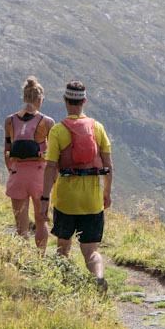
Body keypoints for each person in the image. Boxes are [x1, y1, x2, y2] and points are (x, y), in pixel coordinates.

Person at [42, 79, 113, 285]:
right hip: (92, 199)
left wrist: (45, 199)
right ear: (85, 101)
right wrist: (106, 193)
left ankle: (63, 285)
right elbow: (108, 166)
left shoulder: (57, 131)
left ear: (65, 101)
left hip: (66, 200)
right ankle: (98, 278)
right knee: (91, 251)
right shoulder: (97, 128)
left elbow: (50, 168)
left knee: (63, 247)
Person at [3, 76, 53, 250]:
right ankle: (40, 258)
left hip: (17, 174)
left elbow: (7, 151)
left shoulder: (10, 120)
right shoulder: (47, 122)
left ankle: (23, 261)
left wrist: (12, 170)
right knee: (41, 221)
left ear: (24, 98)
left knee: (21, 227)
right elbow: (53, 153)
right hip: (39, 174)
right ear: (40, 100)